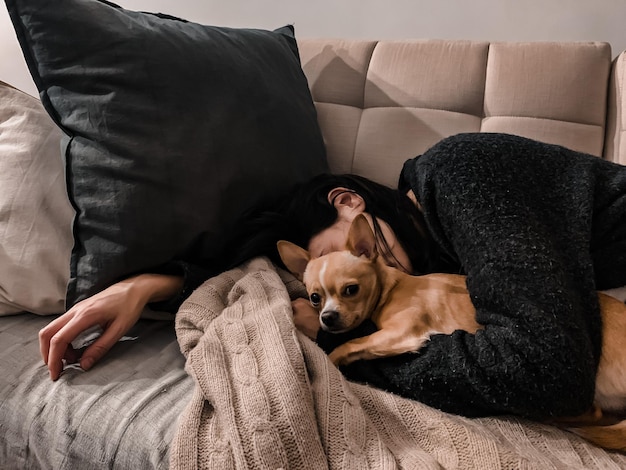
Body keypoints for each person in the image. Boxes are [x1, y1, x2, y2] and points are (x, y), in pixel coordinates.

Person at [39, 132, 626, 422]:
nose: (367, 273)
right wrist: (149, 285)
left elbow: (548, 367)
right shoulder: (442, 265)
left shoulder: (460, 174)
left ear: (348, 203)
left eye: (352, 257)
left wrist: (350, 355)